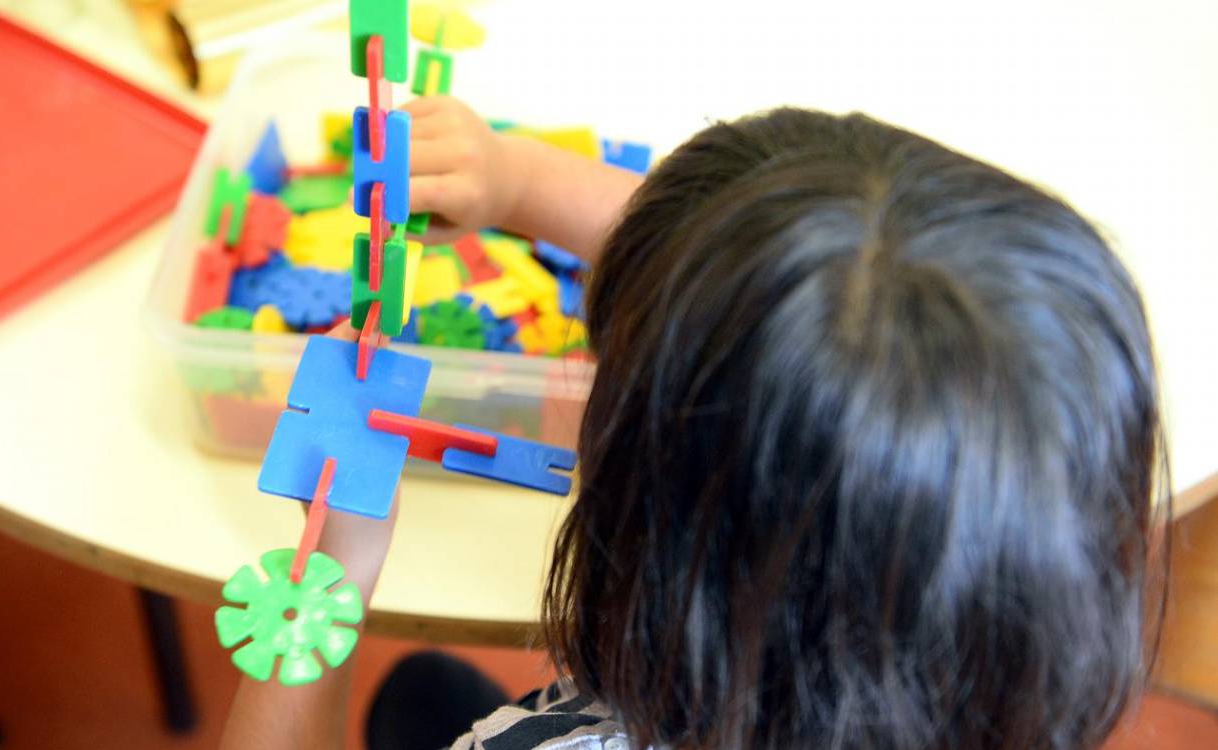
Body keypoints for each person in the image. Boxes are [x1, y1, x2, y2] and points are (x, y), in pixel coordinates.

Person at [220, 98, 1168, 750]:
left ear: (672, 536)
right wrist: (512, 178)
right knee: (423, 693)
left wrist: (326, 591)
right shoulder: (978, 664)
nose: (581, 367)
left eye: (608, 363)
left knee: (423, 701)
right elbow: (766, 304)